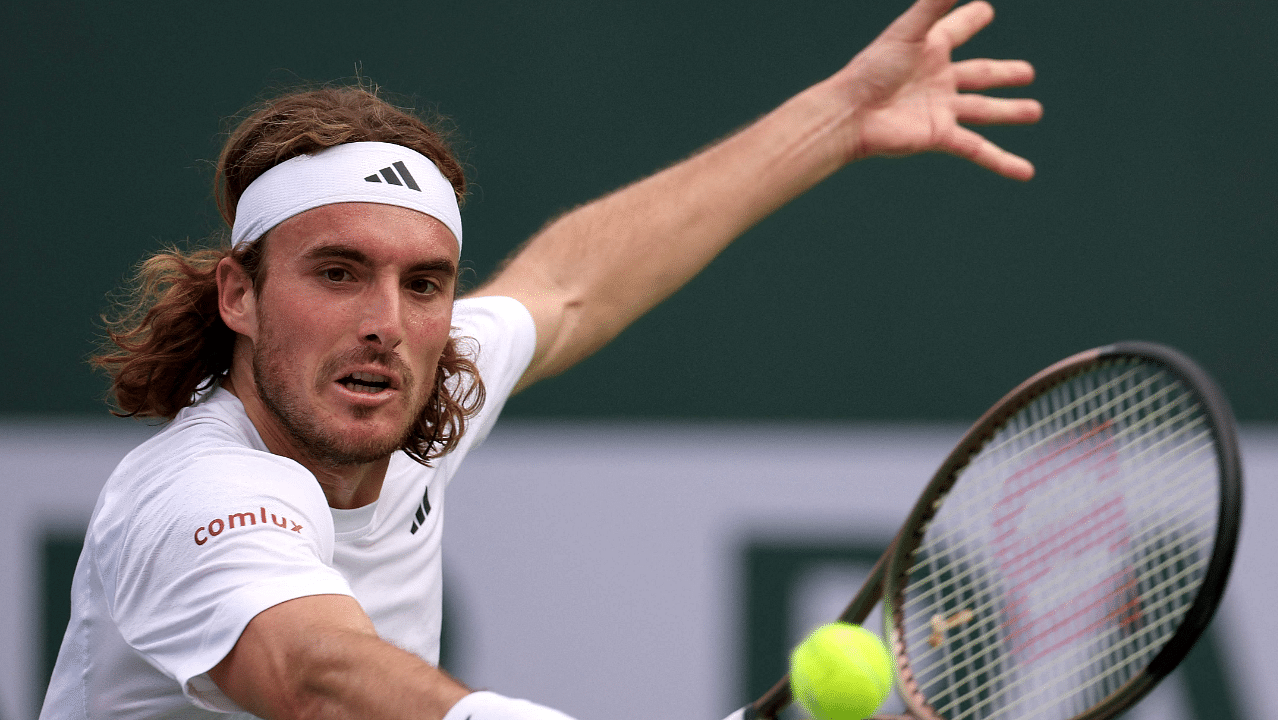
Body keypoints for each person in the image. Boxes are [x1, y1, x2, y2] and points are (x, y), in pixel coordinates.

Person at [40, 0, 1041, 718]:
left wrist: (837, 119)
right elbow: (318, 677)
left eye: (424, 283)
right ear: (240, 296)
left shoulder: (417, 374)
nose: (386, 321)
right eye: (338, 273)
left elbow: (569, 289)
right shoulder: (195, 493)